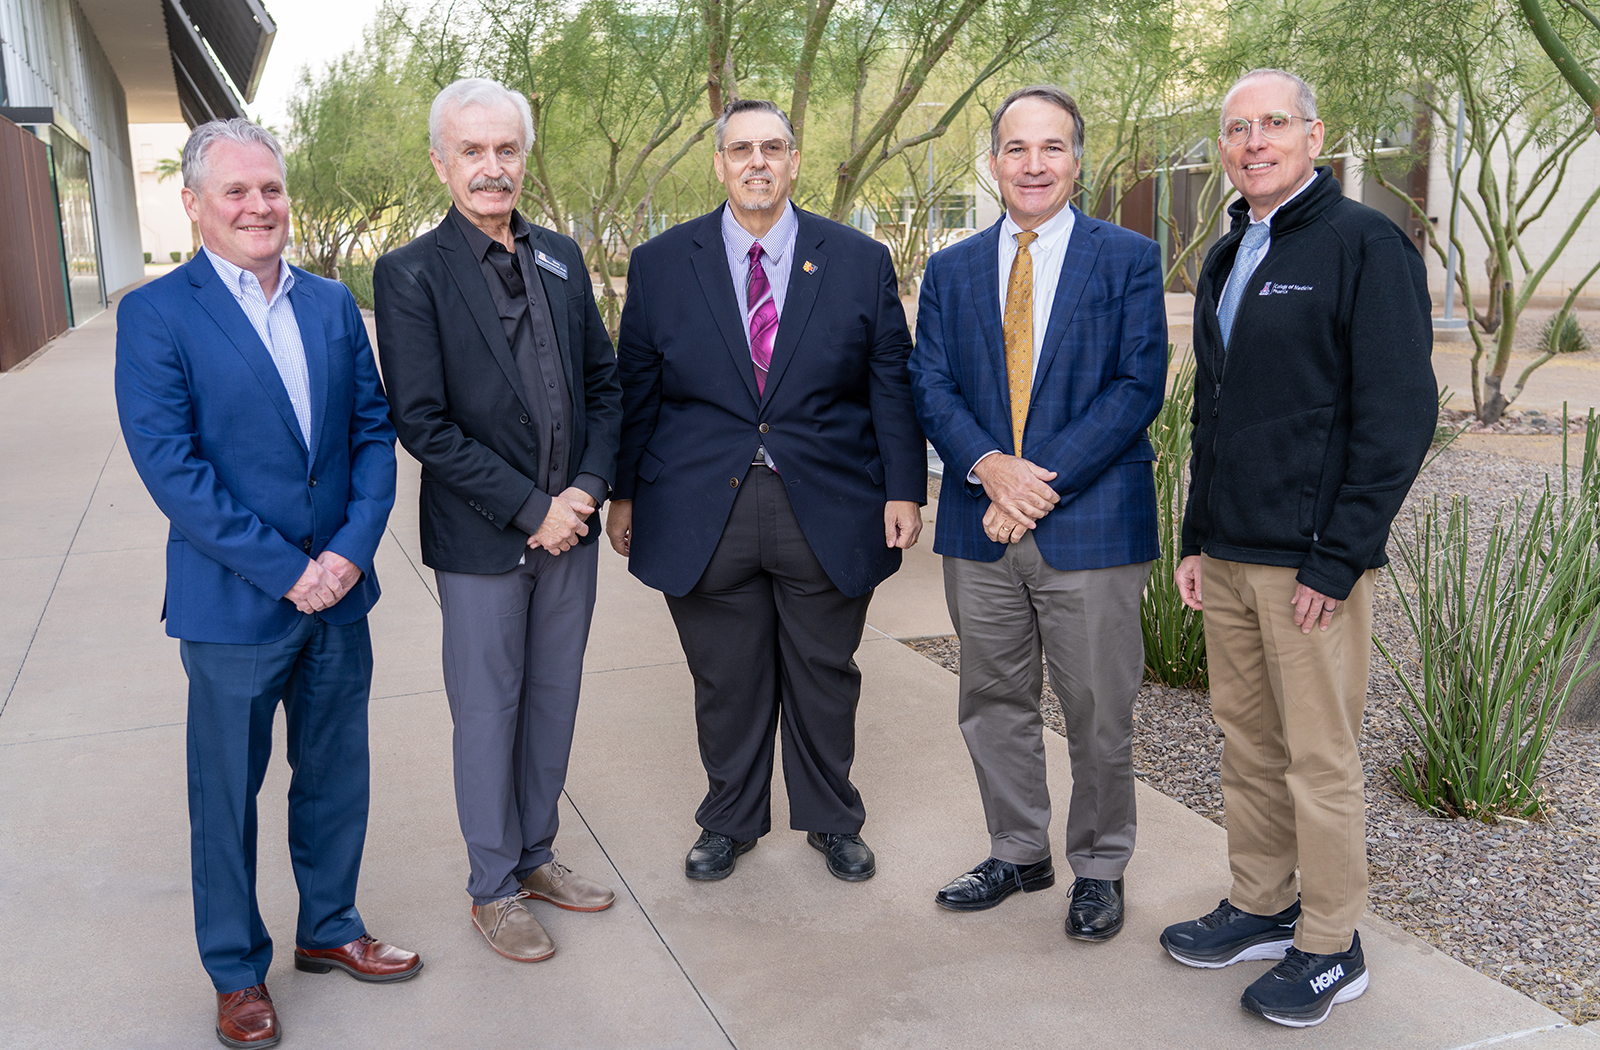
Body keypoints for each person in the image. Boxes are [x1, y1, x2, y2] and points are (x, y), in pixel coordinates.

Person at [115, 118, 416, 1050]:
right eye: (237, 191)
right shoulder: (156, 315)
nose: (259, 206)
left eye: (271, 189)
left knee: (334, 777)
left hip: (340, 591)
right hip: (237, 605)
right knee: (226, 794)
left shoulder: (332, 306)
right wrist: (291, 571)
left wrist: (352, 552)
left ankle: (329, 930)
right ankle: (237, 972)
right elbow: (174, 471)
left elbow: (372, 433)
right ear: (195, 204)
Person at [1159, 68, 1435, 1027]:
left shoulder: (1365, 245)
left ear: (1317, 135)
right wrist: (1197, 539)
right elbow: (1217, 413)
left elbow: (1399, 416)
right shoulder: (1233, 248)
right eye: (1237, 128)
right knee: (1247, 744)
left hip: (1308, 562)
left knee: (1319, 759)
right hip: (1229, 555)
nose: (1254, 141)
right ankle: (1263, 903)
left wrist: (1340, 554)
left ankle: (1330, 944)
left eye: (1274, 123)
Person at [608, 98, 925, 884]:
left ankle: (832, 820)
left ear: (793, 161)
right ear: (718, 163)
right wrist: (623, 493)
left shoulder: (858, 259)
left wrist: (904, 488)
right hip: (699, 505)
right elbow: (635, 390)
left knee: (825, 671)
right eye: (741, 149)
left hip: (828, 499)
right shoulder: (659, 262)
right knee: (726, 676)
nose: (757, 162)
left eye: (773, 148)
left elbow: (891, 383)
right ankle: (729, 820)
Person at [373, 78, 622, 963]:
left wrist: (585, 491)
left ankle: (538, 853)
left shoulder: (560, 257)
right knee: (489, 710)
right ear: (442, 161)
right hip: (487, 537)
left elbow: (603, 381)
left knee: (553, 698)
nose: (491, 168)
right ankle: (492, 887)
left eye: (506, 150)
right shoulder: (409, 273)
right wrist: (532, 509)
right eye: (471, 152)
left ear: (525, 156)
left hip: (574, 530)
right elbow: (423, 422)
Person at [909, 86, 1166, 942]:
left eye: (1051, 148)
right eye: (1017, 149)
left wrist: (1031, 486)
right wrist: (987, 467)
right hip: (979, 528)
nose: (1034, 164)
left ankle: (1099, 866)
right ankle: (1018, 850)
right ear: (993, 162)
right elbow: (931, 384)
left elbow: (1137, 388)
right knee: (991, 698)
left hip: (1088, 523)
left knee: (1097, 706)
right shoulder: (949, 269)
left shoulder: (1128, 257)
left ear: (1077, 160)